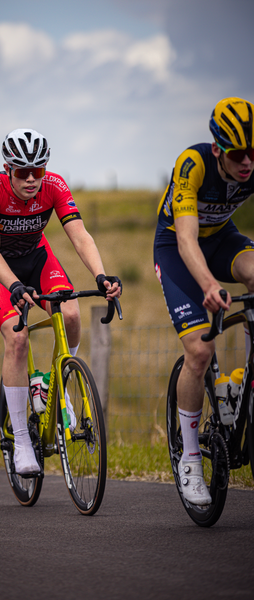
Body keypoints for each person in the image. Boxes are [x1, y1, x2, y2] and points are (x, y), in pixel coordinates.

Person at [0, 128, 122, 475]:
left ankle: (58, 383)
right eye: (21, 172)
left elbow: (80, 236)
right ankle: (22, 440)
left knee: (70, 312)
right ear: (7, 168)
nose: (30, 179)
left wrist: (101, 275)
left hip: (36, 256)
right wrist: (13, 285)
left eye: (36, 171)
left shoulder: (54, 186)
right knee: (18, 335)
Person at [154, 97, 254, 505]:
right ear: (217, 150)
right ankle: (190, 457)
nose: (247, 162)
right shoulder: (192, 164)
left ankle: (242, 384)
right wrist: (210, 285)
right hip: (178, 250)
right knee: (199, 350)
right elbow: (186, 238)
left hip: (223, 239)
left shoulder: (250, 161)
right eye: (237, 155)